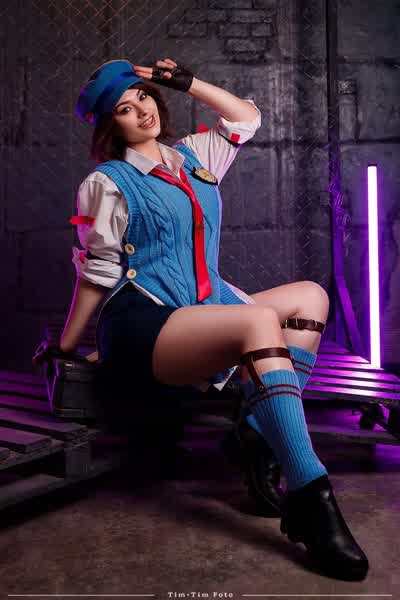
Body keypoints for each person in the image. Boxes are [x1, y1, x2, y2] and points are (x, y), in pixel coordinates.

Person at [32, 58, 368, 581]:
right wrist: (68, 347)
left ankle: (256, 435)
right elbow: (97, 274)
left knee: (310, 297)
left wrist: (186, 83)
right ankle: (311, 495)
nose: (142, 110)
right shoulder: (106, 182)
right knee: (259, 322)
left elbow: (245, 119)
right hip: (144, 323)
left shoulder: (193, 155)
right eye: (124, 108)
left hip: (203, 310)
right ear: (109, 126)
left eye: (144, 97)